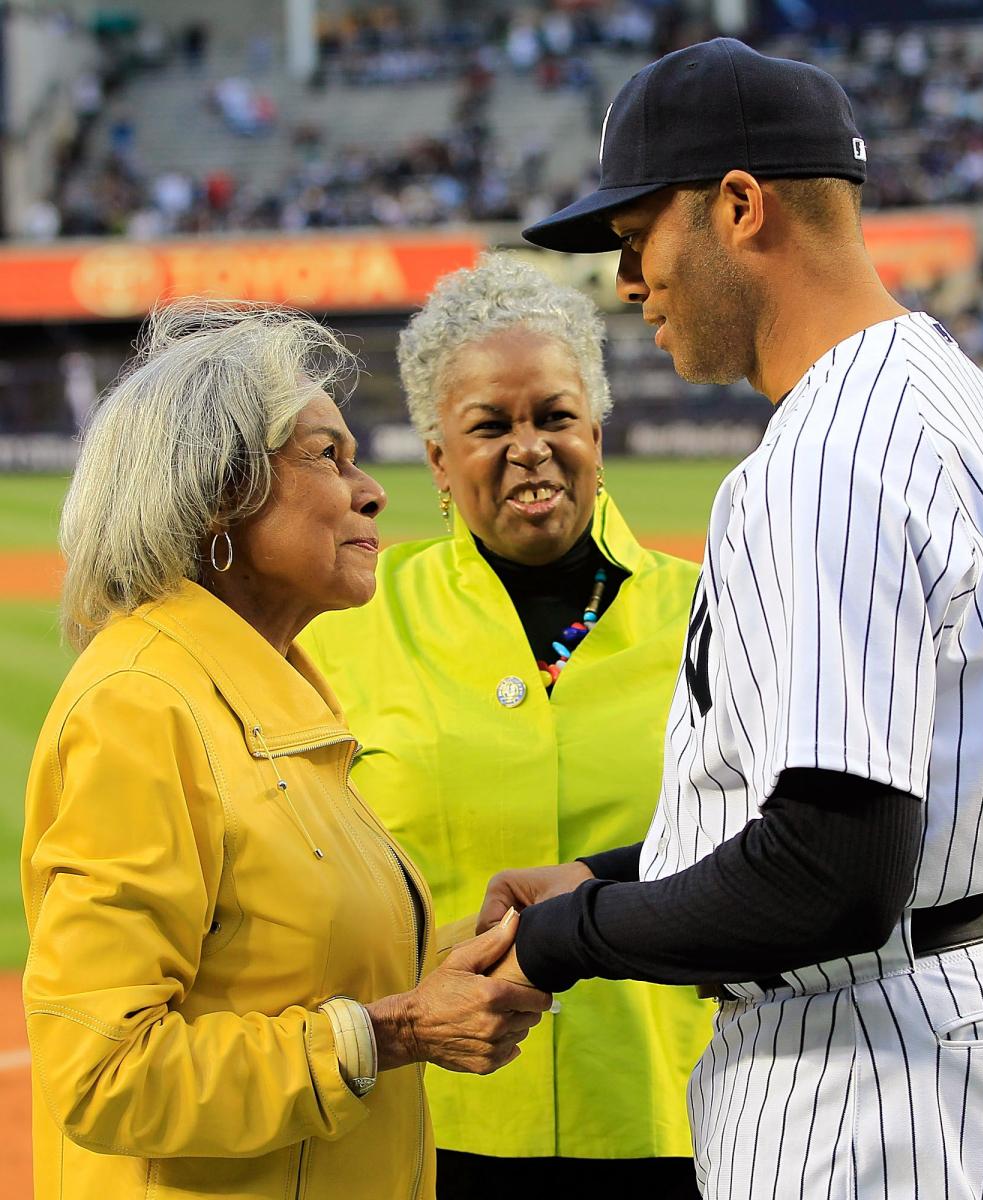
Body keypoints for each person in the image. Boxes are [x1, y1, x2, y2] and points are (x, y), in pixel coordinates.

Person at [481, 37, 983, 1199]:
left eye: (636, 240)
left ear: (739, 206)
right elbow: (855, 798)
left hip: (871, 1071)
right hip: (962, 1024)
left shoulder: (825, 459)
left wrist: (566, 943)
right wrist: (614, 875)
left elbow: (832, 869)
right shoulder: (948, 391)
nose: (626, 283)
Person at [22, 301, 550, 1200]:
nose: (371, 490)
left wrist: (476, 948)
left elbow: (278, 972)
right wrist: (395, 1036)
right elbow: (105, 1074)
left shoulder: (265, 690)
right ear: (220, 490)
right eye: (325, 457)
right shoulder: (143, 708)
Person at [300, 253, 711, 1198]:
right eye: (489, 425)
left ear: (597, 434)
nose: (528, 446)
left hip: (675, 1119)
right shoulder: (346, 621)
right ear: (438, 458)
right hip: (424, 1122)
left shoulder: (716, 613)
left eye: (554, 417)